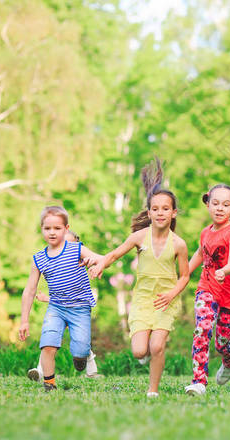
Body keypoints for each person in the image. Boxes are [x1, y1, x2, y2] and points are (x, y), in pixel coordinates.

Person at [90, 159, 189, 397]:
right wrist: (101, 262)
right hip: (143, 300)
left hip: (166, 301)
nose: (160, 213)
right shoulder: (139, 237)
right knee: (138, 351)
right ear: (149, 212)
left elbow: (185, 276)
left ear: (173, 212)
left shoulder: (179, 244)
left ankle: (152, 390)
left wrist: (172, 294)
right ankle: (147, 358)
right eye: (155, 209)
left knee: (157, 346)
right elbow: (114, 253)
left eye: (165, 209)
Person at [19, 206, 100, 391]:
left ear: (66, 228)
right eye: (47, 228)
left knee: (80, 350)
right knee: (47, 345)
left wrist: (95, 264)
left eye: (57, 228)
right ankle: (49, 384)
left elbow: (99, 258)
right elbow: (30, 290)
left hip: (80, 308)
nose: (52, 232)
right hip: (56, 308)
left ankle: (81, 358)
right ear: (42, 229)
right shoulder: (39, 259)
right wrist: (24, 320)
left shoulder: (77, 249)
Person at [184, 184, 230, 396]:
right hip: (207, 288)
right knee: (202, 328)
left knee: (222, 342)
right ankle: (199, 381)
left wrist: (225, 270)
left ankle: (229, 361)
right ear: (207, 204)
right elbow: (200, 255)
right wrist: (182, 274)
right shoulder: (205, 233)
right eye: (215, 203)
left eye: (226, 205)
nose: (220, 208)